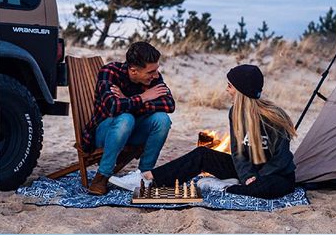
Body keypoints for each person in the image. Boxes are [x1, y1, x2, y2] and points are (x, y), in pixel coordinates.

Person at [113, 64, 297, 199]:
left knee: (269, 188)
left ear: (241, 90)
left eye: (230, 86)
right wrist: (247, 176)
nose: (227, 90)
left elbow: (281, 159)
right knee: (202, 154)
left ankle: (223, 188)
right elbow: (238, 153)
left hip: (275, 174)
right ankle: (148, 178)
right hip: (247, 171)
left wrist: (257, 179)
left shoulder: (273, 117)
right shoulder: (235, 113)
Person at [82, 41, 175, 196]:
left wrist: (129, 99)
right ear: (133, 71)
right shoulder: (110, 72)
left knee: (162, 119)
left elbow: (169, 104)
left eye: (157, 69)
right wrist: (144, 97)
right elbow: (113, 106)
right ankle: (102, 177)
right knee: (126, 118)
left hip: (133, 132)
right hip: (105, 133)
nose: (156, 75)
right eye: (150, 72)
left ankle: (144, 175)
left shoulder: (154, 77)